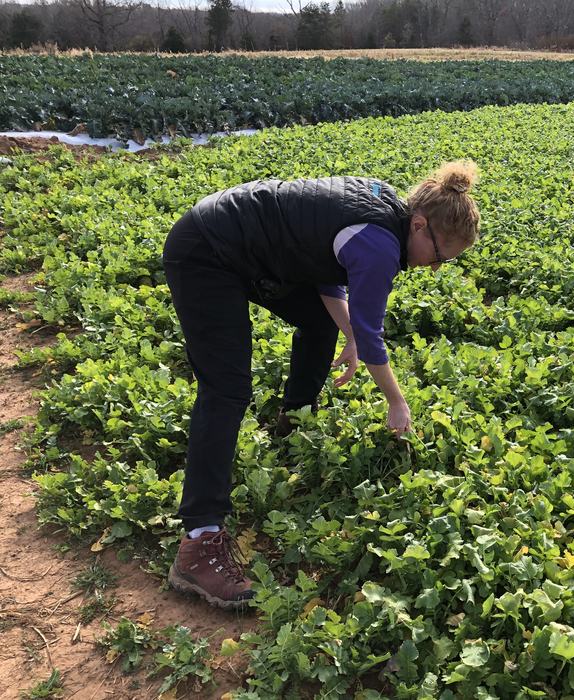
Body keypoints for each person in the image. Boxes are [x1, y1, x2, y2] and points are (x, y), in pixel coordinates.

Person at [162, 162, 481, 610]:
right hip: (206, 251)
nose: (434, 267)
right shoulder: (380, 246)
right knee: (227, 387)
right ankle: (198, 542)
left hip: (238, 243)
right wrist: (397, 403)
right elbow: (372, 334)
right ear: (420, 225)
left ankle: (293, 420)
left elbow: (323, 266)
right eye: (440, 257)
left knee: (318, 320)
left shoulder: (385, 209)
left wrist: (347, 334)